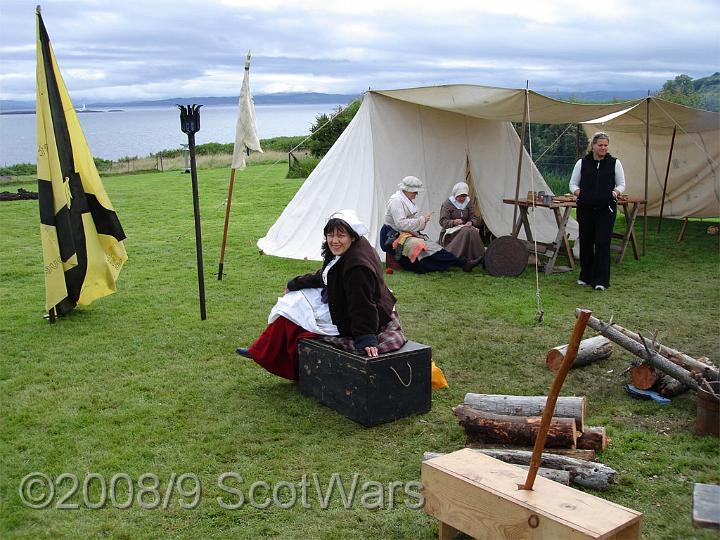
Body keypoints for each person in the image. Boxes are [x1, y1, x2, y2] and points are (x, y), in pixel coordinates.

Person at [236, 209, 407, 381]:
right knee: (293, 303)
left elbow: (362, 304)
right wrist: (294, 283)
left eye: (341, 236)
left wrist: (366, 337)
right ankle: (260, 349)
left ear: (352, 236)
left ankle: (264, 353)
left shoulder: (357, 268)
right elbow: (326, 274)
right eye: (330, 235)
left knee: (291, 315)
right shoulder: (350, 248)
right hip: (344, 299)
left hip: (355, 315)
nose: (334, 240)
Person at [380, 176, 483, 274]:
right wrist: (422, 220)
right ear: (408, 190)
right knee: (421, 247)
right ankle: (461, 263)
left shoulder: (403, 200)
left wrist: (421, 221)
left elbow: (405, 222)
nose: (416, 194)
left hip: (402, 234)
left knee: (432, 246)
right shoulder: (396, 201)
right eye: (415, 192)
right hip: (391, 236)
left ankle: (462, 263)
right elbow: (401, 223)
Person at [569, 131, 626, 291]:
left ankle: (601, 279)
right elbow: (573, 184)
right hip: (585, 208)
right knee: (586, 242)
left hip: (605, 209)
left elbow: (621, 184)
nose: (603, 148)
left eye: (606, 145)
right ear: (593, 146)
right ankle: (585, 275)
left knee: (602, 243)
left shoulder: (614, 163)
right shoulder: (582, 163)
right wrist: (581, 194)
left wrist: (614, 193)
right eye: (600, 145)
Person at [438, 182, 486, 262]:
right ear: (455, 195)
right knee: (467, 231)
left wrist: (471, 222)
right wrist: (454, 222)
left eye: (464, 196)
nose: (462, 199)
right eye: (460, 196)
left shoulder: (468, 203)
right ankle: (455, 257)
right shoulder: (447, 204)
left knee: (471, 230)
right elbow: (442, 221)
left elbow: (475, 218)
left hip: (465, 229)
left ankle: (480, 257)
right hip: (450, 233)